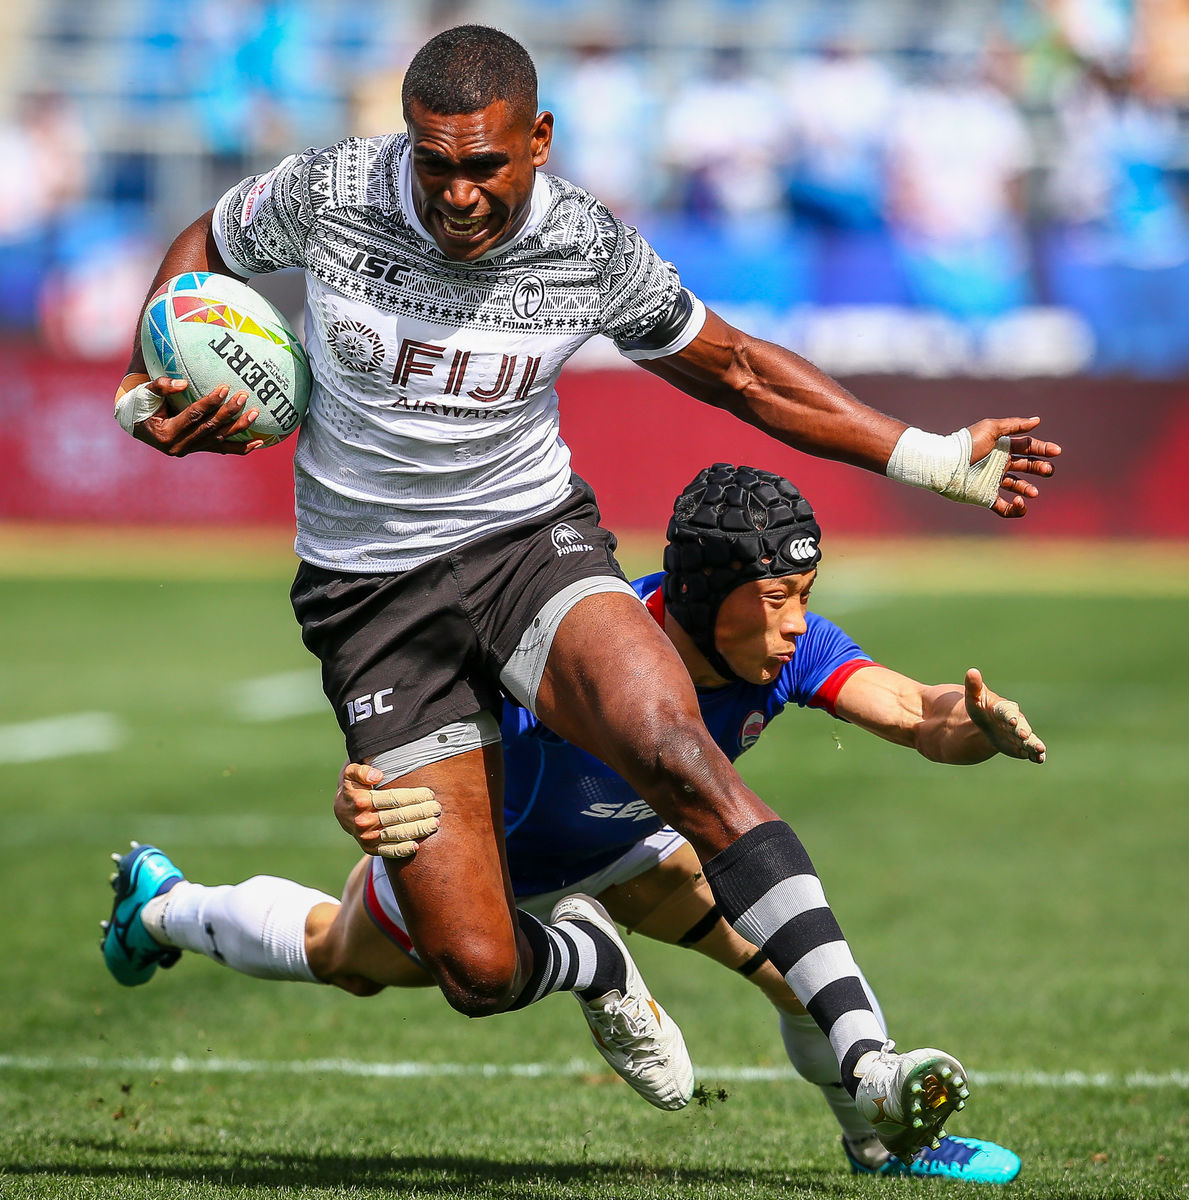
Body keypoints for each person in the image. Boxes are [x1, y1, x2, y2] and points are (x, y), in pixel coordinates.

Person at [107, 24, 1061, 1160]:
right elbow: (205, 240)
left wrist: (936, 459)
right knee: (472, 965)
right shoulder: (331, 190)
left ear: (540, 141)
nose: (458, 193)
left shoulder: (589, 248)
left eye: (485, 165)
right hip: (373, 603)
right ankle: (588, 956)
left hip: (530, 546)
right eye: (435, 162)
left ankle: (874, 1067)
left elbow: (744, 371)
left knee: (676, 752)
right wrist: (151, 372)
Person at [103, 464, 1037, 1182]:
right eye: (777, 600)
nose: (799, 623)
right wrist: (370, 792)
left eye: (805, 594)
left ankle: (883, 1144)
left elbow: (919, 714)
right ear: (707, 602)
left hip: (634, 849)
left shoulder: (796, 652)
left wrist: (977, 727)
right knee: (340, 956)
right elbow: (420, 720)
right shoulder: (575, 648)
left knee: (793, 973)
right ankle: (162, 905)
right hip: (492, 868)